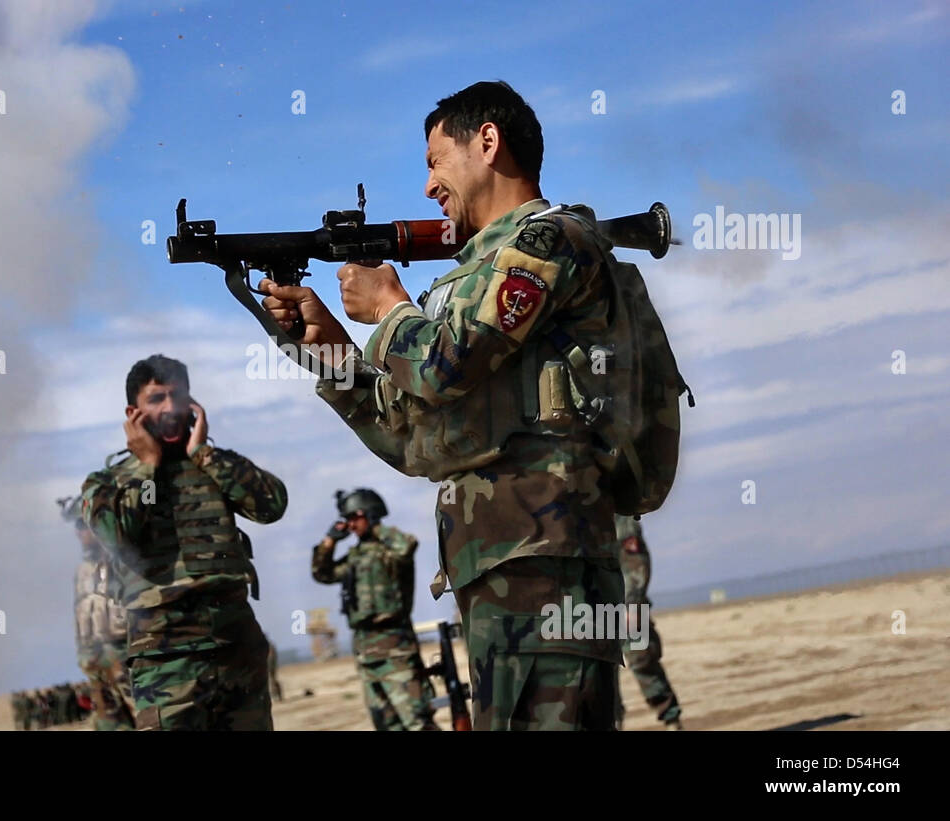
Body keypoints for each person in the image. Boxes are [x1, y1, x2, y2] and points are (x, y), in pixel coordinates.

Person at [261, 80, 630, 730]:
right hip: (497, 571)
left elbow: (442, 364)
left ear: (487, 142)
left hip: (549, 565)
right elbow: (414, 435)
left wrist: (389, 308)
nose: (429, 185)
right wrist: (329, 349)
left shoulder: (546, 244)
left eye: (435, 161)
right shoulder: (469, 279)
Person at [80, 354, 288, 730]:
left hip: (236, 647)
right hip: (166, 661)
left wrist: (204, 453)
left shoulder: (211, 464)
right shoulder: (108, 482)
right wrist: (147, 467)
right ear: (133, 413)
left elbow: (271, 505)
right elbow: (118, 535)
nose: (171, 408)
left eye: (178, 396)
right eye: (157, 399)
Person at [312, 488, 438, 731]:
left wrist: (375, 525)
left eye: (354, 517)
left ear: (369, 514)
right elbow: (322, 573)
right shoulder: (354, 557)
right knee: (387, 726)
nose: (349, 525)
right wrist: (328, 543)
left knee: (418, 723)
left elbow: (407, 546)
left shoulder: (390, 550)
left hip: (396, 651)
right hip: (365, 653)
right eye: (346, 520)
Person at [60, 494, 136, 731]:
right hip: (96, 665)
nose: (80, 533)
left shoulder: (125, 562)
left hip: (126, 661)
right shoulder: (82, 572)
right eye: (78, 528)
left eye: (84, 526)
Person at [613, 514, 682, 729]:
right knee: (597, 678)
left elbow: (635, 560)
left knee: (643, 661)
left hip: (625, 604)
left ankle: (672, 721)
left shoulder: (617, 515)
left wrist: (633, 602)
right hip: (587, 607)